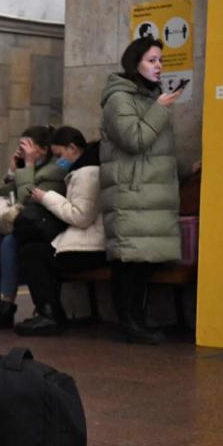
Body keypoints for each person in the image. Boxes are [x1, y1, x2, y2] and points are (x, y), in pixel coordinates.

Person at [99, 37, 183, 344]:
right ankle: (130, 323)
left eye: (160, 60)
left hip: (148, 196)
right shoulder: (119, 99)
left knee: (142, 263)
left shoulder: (148, 99)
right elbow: (133, 140)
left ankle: (137, 321)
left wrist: (187, 169)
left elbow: (157, 151)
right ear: (135, 62)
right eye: (151, 60)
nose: (158, 66)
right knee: (130, 264)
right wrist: (159, 110)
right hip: (130, 195)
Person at [0, 125, 66, 327]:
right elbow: (3, 190)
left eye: (28, 146)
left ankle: (7, 305)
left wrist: (27, 164)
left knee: (10, 242)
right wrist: (12, 169)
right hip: (23, 224)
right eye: (21, 145)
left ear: (43, 150)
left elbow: (27, 198)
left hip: (41, 228)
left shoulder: (53, 171)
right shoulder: (28, 167)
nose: (22, 150)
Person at [14, 126, 107, 336]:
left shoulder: (86, 173)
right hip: (87, 240)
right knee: (28, 248)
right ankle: (44, 311)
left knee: (31, 253)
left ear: (73, 148)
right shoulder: (82, 169)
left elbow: (81, 216)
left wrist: (46, 197)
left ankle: (50, 314)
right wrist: (20, 166)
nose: (59, 161)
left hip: (90, 245)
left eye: (59, 155)